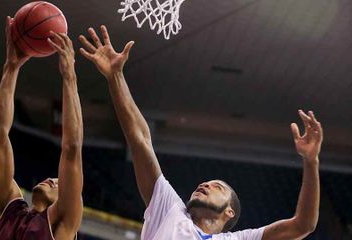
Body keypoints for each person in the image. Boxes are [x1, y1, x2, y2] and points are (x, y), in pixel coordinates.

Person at [79, 25, 323, 240]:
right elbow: (140, 140)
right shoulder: (169, 211)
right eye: (208, 183)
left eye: (217, 187)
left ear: (230, 212)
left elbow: (304, 225)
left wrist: (311, 162)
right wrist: (115, 77)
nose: (205, 184)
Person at [0, 17, 83, 240]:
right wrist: (10, 68)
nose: (52, 179)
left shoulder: (61, 225)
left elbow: (72, 149)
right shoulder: (7, 210)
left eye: (58, 182)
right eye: (55, 178)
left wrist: (70, 77)